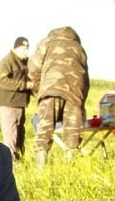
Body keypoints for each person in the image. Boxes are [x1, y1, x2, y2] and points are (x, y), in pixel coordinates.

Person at [28, 27, 90, 167]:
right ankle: (70, 170)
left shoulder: (47, 42)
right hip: (75, 92)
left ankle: (40, 172)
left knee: (44, 130)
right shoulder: (79, 48)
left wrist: (39, 89)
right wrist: (81, 102)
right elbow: (86, 79)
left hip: (50, 90)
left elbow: (33, 68)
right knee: (73, 133)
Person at [0, 36, 32, 161]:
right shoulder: (7, 62)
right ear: (15, 48)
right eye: (24, 49)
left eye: (27, 48)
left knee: (20, 134)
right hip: (9, 104)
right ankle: (11, 163)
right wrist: (25, 85)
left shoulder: (25, 63)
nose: (26, 51)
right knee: (11, 135)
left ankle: (20, 161)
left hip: (20, 104)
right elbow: (3, 81)